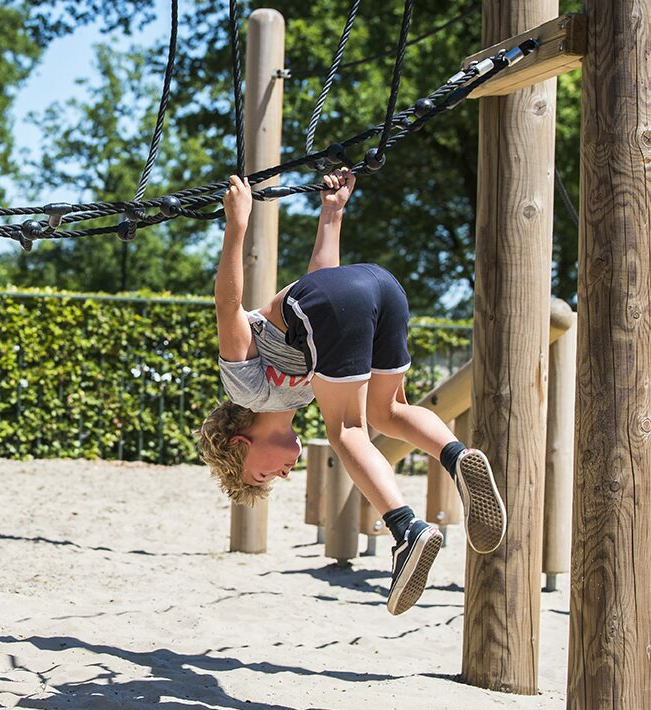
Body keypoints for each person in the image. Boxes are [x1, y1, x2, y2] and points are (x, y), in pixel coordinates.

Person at [195, 170, 505, 615]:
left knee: (347, 431)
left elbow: (228, 305)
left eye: (262, 475)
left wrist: (237, 223)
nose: (282, 476)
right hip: (381, 286)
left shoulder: (247, 389)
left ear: (241, 445)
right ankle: (457, 459)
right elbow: (323, 284)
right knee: (389, 411)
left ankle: (405, 529)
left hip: (335, 299)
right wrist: (333, 213)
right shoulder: (302, 396)